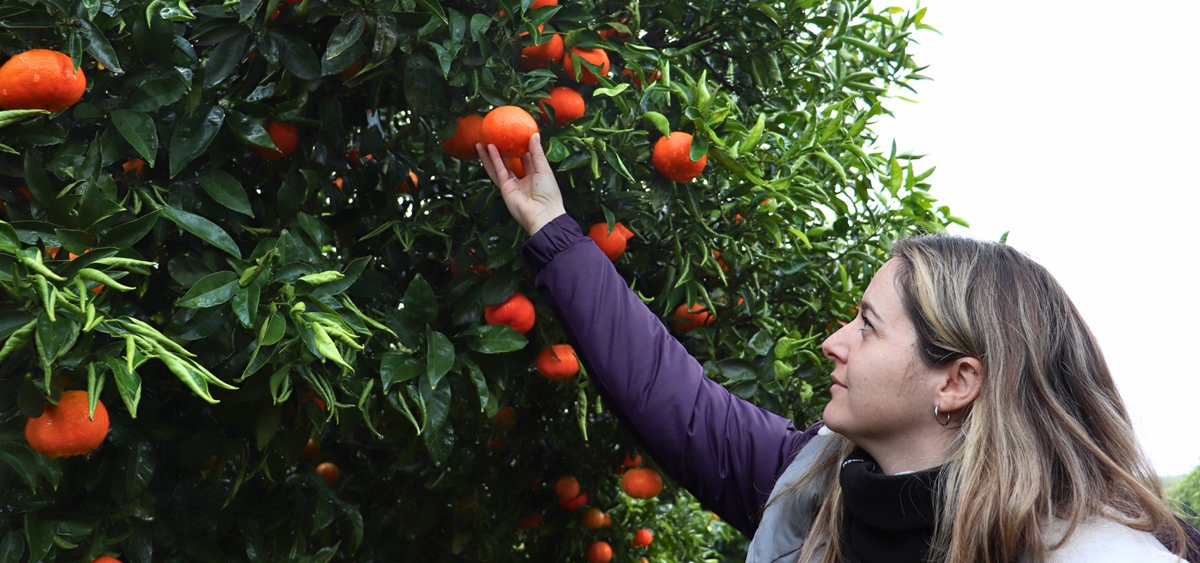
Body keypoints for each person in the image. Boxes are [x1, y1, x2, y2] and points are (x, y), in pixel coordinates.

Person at [476, 136, 1200, 562]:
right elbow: (669, 395)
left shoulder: (1097, 553)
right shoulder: (810, 491)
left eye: (867, 324)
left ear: (956, 382)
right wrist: (554, 230)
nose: (833, 342)